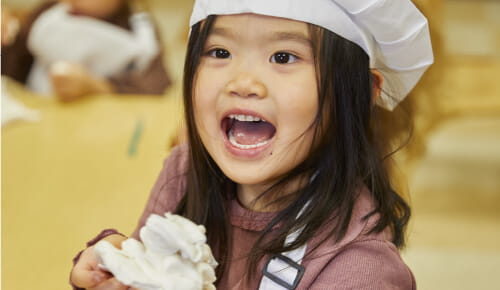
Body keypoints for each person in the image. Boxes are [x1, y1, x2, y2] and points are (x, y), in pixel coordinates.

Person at [70, 0, 433, 289]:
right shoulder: (183, 171)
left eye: (283, 57)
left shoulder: (359, 271)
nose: (243, 82)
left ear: (357, 93)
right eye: (220, 52)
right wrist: (118, 265)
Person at [1, 0, 171, 102]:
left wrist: (97, 87)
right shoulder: (47, 16)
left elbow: (156, 87)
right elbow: (13, 70)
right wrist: (7, 41)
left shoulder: (139, 30)